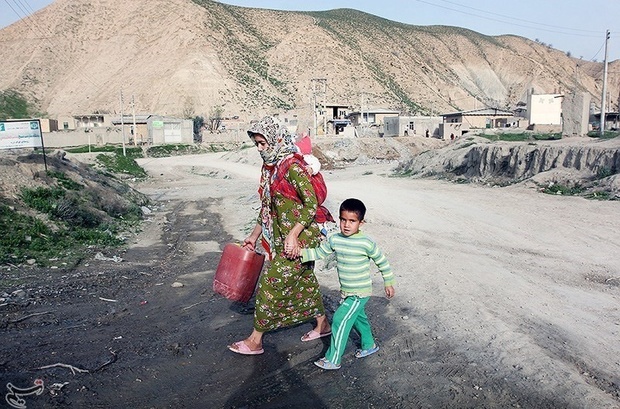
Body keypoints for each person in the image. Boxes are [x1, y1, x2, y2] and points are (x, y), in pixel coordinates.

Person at [227, 116, 331, 355]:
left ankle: (255, 340)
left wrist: (294, 235)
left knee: (271, 283)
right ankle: (323, 324)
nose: (260, 149)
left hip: (301, 239)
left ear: (276, 140)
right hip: (283, 236)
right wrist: (254, 236)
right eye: (257, 144)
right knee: (305, 282)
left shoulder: (291, 167)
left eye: (263, 143)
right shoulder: (270, 169)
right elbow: (267, 208)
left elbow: (311, 204)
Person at [299, 198, 395, 370]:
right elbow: (320, 252)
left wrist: (388, 282)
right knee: (359, 319)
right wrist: (301, 253)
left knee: (340, 319)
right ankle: (369, 345)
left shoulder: (366, 243)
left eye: (352, 221)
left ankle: (333, 359)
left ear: (361, 222)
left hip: (360, 292)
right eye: (343, 220)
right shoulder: (336, 239)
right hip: (347, 291)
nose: (346, 225)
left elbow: (382, 262)